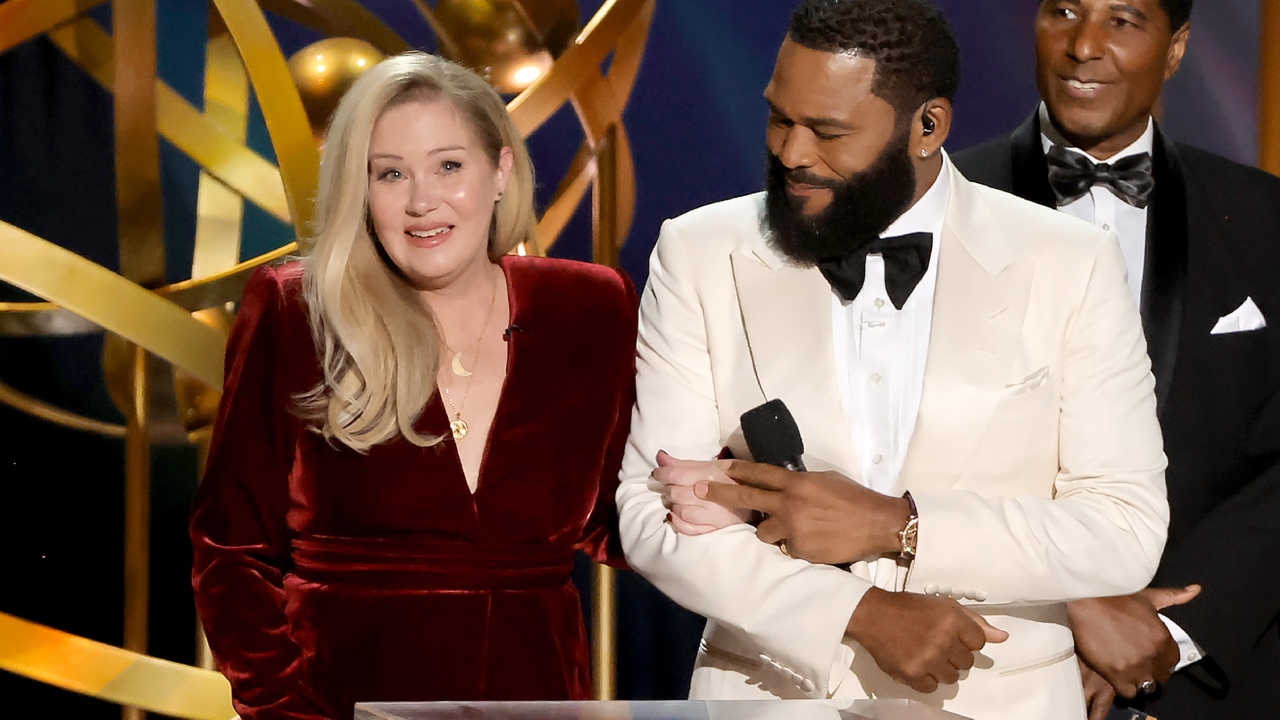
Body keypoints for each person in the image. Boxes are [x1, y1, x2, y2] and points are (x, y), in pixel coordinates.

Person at [615, 1, 1169, 718]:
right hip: (770, 694)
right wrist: (855, 612)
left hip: (1000, 698)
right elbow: (653, 512)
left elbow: (1123, 530)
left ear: (927, 127)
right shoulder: (700, 251)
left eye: (828, 131)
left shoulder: (1069, 262)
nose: (791, 152)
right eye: (780, 118)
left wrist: (898, 526)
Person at [190, 52, 637, 720]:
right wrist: (286, 712)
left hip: (538, 697)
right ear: (360, 189)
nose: (422, 201)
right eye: (391, 174)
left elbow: (618, 518)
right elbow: (230, 552)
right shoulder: (299, 310)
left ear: (500, 172)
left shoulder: (589, 306)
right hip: (341, 705)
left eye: (449, 166)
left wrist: (724, 499)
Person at [954, 1, 1280, 717]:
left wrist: (1174, 629)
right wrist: (1064, 608)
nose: (1084, 45)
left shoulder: (1264, 217)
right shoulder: (935, 206)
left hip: (1212, 674)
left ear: (1176, 47)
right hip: (984, 661)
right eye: (1065, 11)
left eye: (1123, 21)